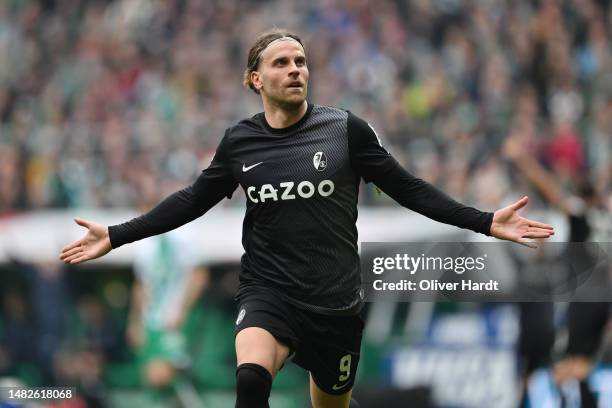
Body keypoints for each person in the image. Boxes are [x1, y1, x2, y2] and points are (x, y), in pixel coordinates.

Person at [60, 29, 554, 408]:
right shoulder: (240, 142)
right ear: (256, 79)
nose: (296, 69)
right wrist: (118, 235)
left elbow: (408, 189)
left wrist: (485, 221)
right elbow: (192, 200)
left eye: (301, 61)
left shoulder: (344, 131)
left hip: (335, 305)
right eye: (282, 62)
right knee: (251, 380)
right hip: (268, 290)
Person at [504, 136, 611, 407]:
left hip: (582, 298)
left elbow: (552, 191)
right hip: (603, 297)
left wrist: (522, 160)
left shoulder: (582, 214)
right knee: (586, 366)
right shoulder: (604, 216)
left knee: (564, 365)